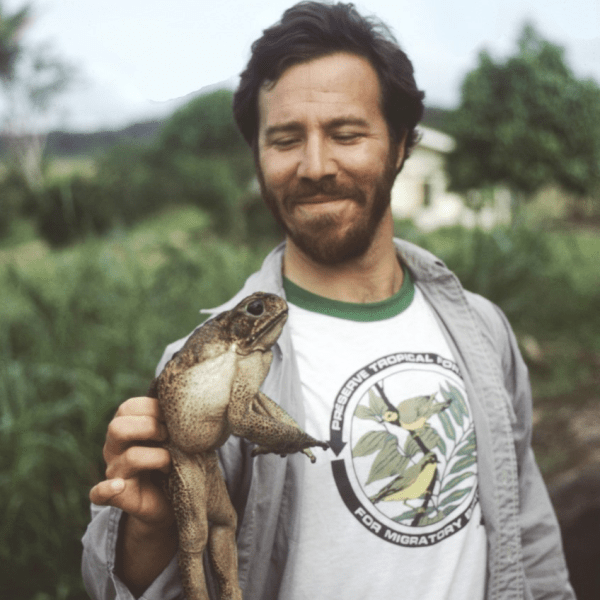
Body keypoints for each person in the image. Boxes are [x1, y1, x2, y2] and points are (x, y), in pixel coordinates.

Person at [82, 2, 575, 599]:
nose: (315, 166)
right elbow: (134, 585)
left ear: (400, 146)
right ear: (259, 159)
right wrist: (146, 531)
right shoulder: (201, 366)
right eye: (286, 139)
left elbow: (529, 538)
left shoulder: (482, 328)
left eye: (346, 133)